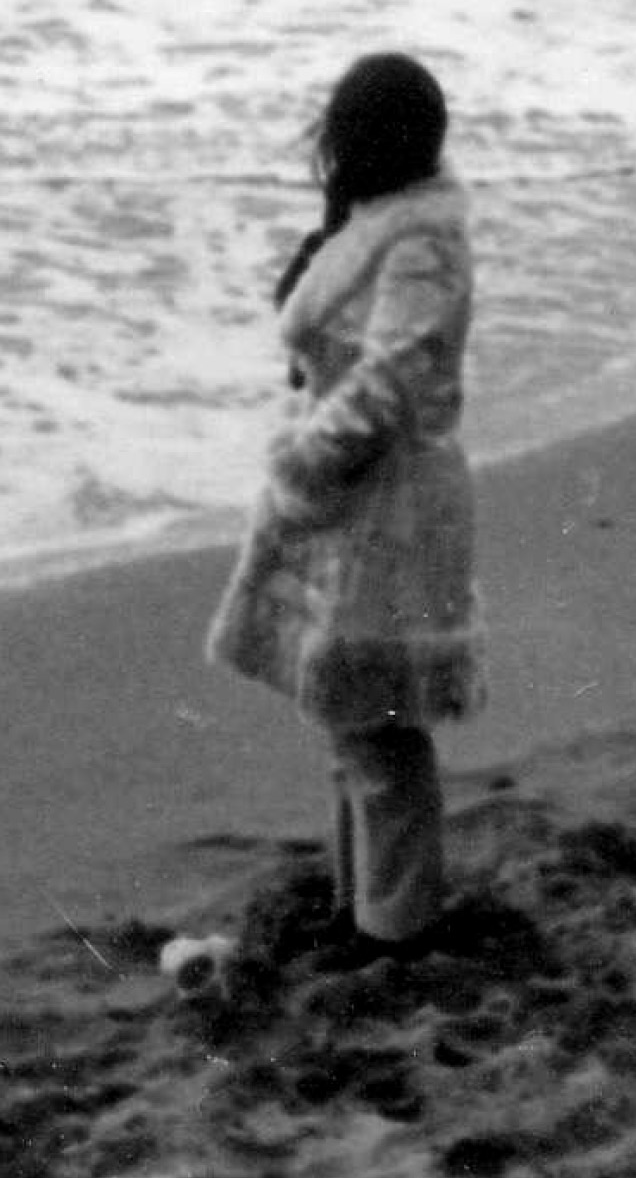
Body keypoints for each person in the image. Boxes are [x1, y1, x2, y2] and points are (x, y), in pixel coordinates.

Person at [206, 51, 487, 959]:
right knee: (354, 719)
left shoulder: (418, 241)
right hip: (363, 499)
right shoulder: (382, 224)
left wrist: (303, 467)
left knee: (378, 729)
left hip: (388, 503)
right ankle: (361, 906)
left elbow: (390, 385)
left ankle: (393, 929)